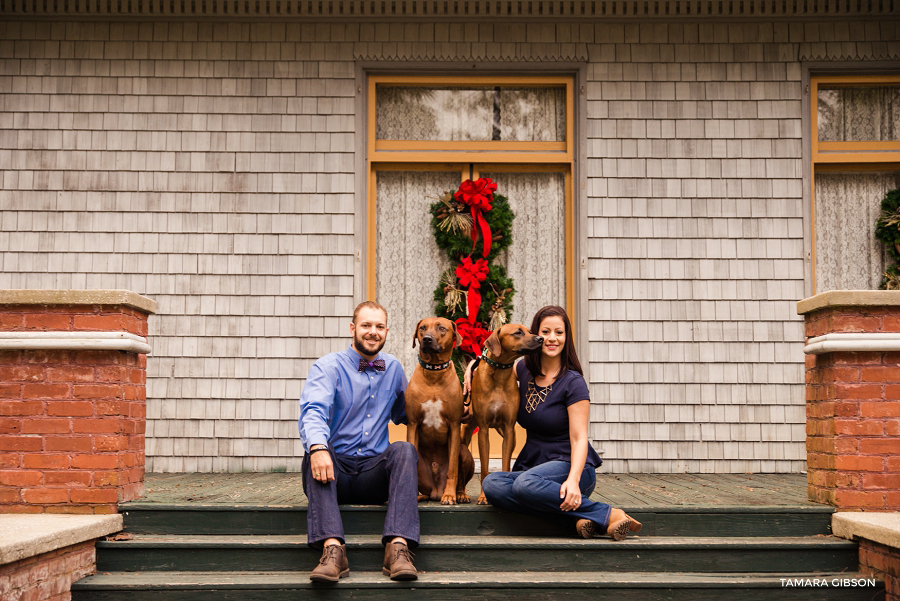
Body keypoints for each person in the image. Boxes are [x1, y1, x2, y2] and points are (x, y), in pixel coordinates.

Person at [464, 305, 641, 540]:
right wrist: (471, 368)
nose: (551, 338)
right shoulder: (524, 369)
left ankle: (609, 514)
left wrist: (574, 480)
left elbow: (579, 439)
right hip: (533, 468)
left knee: (524, 486)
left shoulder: (573, 382)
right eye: (545, 332)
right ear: (536, 335)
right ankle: (580, 520)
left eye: (559, 332)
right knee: (492, 485)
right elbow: (495, 361)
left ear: (566, 338)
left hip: (568, 466)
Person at [298, 301, 420, 582]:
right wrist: (317, 448)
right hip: (333, 474)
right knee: (315, 450)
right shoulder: (329, 366)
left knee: (404, 449)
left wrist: (457, 408)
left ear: (386, 331)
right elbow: (313, 412)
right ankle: (333, 552)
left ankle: (398, 549)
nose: (372, 332)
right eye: (366, 325)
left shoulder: (393, 368)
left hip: (373, 477)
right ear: (353, 328)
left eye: (379, 326)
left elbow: (408, 414)